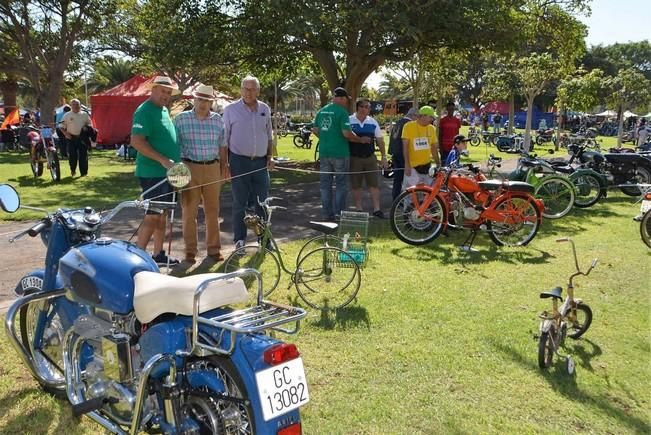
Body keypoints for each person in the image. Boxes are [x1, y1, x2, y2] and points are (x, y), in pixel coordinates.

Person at [130, 75, 181, 265]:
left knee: (162, 215)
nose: (166, 95)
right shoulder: (144, 111)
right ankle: (136, 259)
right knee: (152, 216)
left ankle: (158, 255)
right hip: (153, 174)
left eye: (168, 92)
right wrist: (162, 160)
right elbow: (136, 141)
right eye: (163, 91)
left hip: (168, 173)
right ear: (153, 90)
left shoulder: (164, 110)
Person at [174, 84, 228, 264]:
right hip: (189, 167)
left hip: (212, 167)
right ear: (194, 100)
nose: (203, 103)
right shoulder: (181, 119)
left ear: (211, 102)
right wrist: (177, 172)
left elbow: (222, 146)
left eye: (207, 100)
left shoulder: (218, 120)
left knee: (213, 211)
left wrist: (224, 167)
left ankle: (214, 250)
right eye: (200, 99)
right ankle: (190, 252)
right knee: (189, 212)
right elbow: (175, 147)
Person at [223, 75, 274, 250]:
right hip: (239, 161)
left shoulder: (265, 109)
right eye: (245, 88)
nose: (248, 92)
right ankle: (239, 240)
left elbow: (269, 135)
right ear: (241, 90)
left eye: (252, 89)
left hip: (260, 162)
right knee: (240, 203)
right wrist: (226, 164)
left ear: (258, 91)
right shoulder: (230, 109)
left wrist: (270, 157)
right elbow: (224, 139)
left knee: (262, 203)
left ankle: (264, 240)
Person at [312, 87, 371, 221]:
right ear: (343, 98)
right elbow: (346, 134)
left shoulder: (321, 111)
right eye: (346, 100)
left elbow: (315, 130)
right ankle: (338, 214)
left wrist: (326, 138)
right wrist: (360, 139)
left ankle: (326, 214)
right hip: (340, 152)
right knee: (341, 184)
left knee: (325, 185)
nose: (346, 102)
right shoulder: (342, 113)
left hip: (324, 152)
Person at [348, 98, 388, 218]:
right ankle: (359, 209)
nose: (366, 109)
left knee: (374, 184)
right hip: (354, 158)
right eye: (364, 106)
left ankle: (377, 209)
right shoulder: (349, 120)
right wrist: (359, 139)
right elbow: (345, 136)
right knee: (356, 185)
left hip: (370, 158)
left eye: (368, 107)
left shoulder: (373, 122)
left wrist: (384, 156)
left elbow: (380, 140)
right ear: (358, 107)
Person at [401, 106, 440, 188]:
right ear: (423, 116)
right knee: (411, 194)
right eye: (431, 117)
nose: (432, 120)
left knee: (426, 195)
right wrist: (407, 165)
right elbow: (405, 147)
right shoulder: (408, 127)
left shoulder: (432, 129)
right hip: (412, 168)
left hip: (427, 167)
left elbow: (434, 149)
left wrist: (438, 164)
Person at [388, 107, 418, 200]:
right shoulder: (409, 124)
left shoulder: (398, 122)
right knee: (407, 178)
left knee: (397, 178)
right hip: (403, 153)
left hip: (395, 152)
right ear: (414, 115)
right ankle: (405, 200)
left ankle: (395, 198)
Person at [60, 99, 92, 176]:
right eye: (74, 105)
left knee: (83, 156)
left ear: (80, 105)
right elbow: (61, 127)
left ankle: (84, 173)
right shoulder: (67, 115)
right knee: (72, 156)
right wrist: (66, 134)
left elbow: (90, 125)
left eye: (77, 104)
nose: (76, 106)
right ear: (71, 106)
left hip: (82, 138)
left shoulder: (84, 114)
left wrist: (86, 127)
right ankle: (73, 170)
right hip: (71, 138)